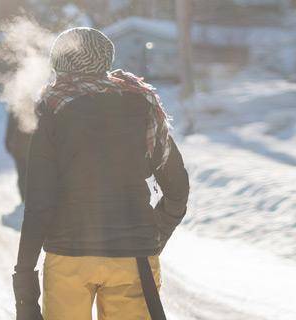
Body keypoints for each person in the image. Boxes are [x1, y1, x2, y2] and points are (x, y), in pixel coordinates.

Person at [13, 27, 190, 320]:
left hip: (68, 256)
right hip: (133, 256)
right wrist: (155, 235)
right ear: (106, 60)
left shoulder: (53, 109)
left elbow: (40, 204)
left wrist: (24, 277)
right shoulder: (143, 104)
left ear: (58, 64)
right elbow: (178, 188)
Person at [5, 110, 33, 202]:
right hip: (25, 147)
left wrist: (8, 142)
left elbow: (10, 126)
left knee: (22, 175)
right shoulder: (36, 103)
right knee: (27, 175)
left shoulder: (16, 104)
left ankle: (25, 198)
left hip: (20, 147)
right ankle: (26, 199)